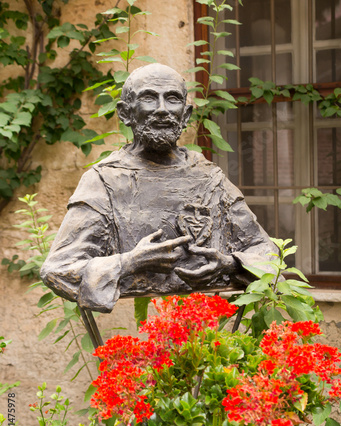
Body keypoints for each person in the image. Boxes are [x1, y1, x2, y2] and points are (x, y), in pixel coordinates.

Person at [41, 64, 276, 313]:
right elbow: (57, 269)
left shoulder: (209, 178)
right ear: (125, 113)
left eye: (172, 98)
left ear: (185, 115)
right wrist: (130, 262)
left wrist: (230, 264)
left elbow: (268, 254)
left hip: (202, 324)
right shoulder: (103, 181)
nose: (162, 110)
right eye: (149, 98)